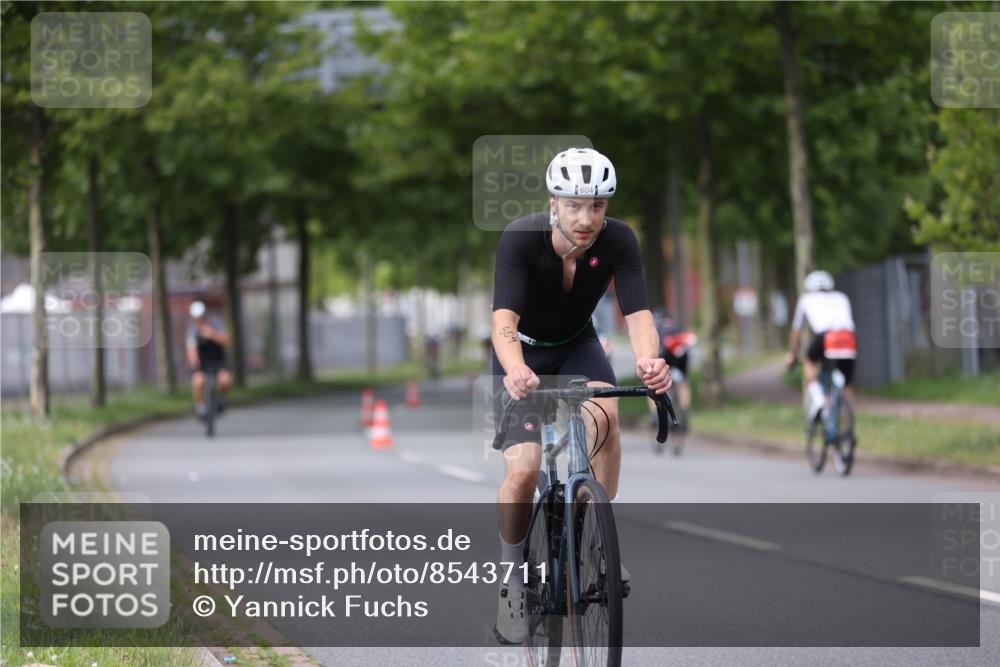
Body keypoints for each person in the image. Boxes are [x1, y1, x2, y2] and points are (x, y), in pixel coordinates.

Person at [491, 148, 671, 643]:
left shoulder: (619, 240)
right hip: (521, 352)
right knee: (523, 471)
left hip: (577, 345)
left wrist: (650, 362)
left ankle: (596, 535)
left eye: (597, 206)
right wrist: (516, 370)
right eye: (574, 205)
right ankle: (510, 578)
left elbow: (639, 316)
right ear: (553, 202)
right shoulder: (521, 238)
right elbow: (503, 320)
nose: (586, 218)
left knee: (605, 414)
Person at [785, 270, 857, 420]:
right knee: (846, 384)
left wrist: (793, 354)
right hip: (848, 338)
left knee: (809, 362)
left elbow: (796, 331)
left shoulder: (806, 299)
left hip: (826, 337)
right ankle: (849, 425)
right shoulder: (842, 297)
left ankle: (819, 400)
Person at [649, 310, 695, 431]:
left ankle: (654, 415)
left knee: (651, 384)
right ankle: (684, 414)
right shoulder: (677, 329)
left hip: (663, 355)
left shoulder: (656, 329)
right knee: (683, 384)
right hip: (680, 357)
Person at [186, 300, 233, 419]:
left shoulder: (216, 323)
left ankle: (221, 399)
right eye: (197, 317)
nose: (199, 319)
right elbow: (191, 349)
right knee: (198, 382)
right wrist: (194, 362)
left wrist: (212, 335)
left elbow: (227, 341)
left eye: (201, 316)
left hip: (218, 360)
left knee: (225, 380)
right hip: (202, 363)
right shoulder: (193, 330)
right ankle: (200, 407)